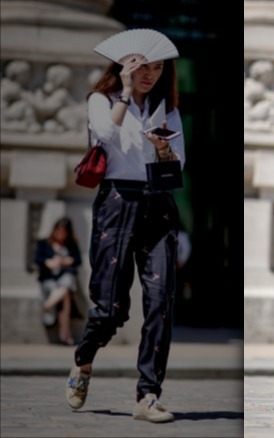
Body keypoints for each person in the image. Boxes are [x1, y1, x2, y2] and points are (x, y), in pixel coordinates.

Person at [66, 29, 185, 424]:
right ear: (124, 64)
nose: (149, 74)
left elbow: (178, 165)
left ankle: (148, 395)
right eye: (142, 67)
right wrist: (125, 90)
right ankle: (84, 359)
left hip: (159, 204)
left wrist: (164, 149)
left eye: (156, 68)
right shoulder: (102, 100)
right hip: (118, 202)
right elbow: (103, 137)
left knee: (160, 303)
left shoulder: (165, 107)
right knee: (111, 308)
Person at [35, 217, 82, 345]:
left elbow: (78, 260)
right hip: (49, 280)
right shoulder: (44, 243)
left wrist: (64, 261)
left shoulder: (71, 245)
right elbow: (37, 259)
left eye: (63, 232)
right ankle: (65, 334)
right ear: (54, 230)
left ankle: (47, 306)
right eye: (58, 231)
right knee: (66, 295)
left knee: (67, 285)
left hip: (64, 279)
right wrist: (48, 262)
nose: (61, 234)